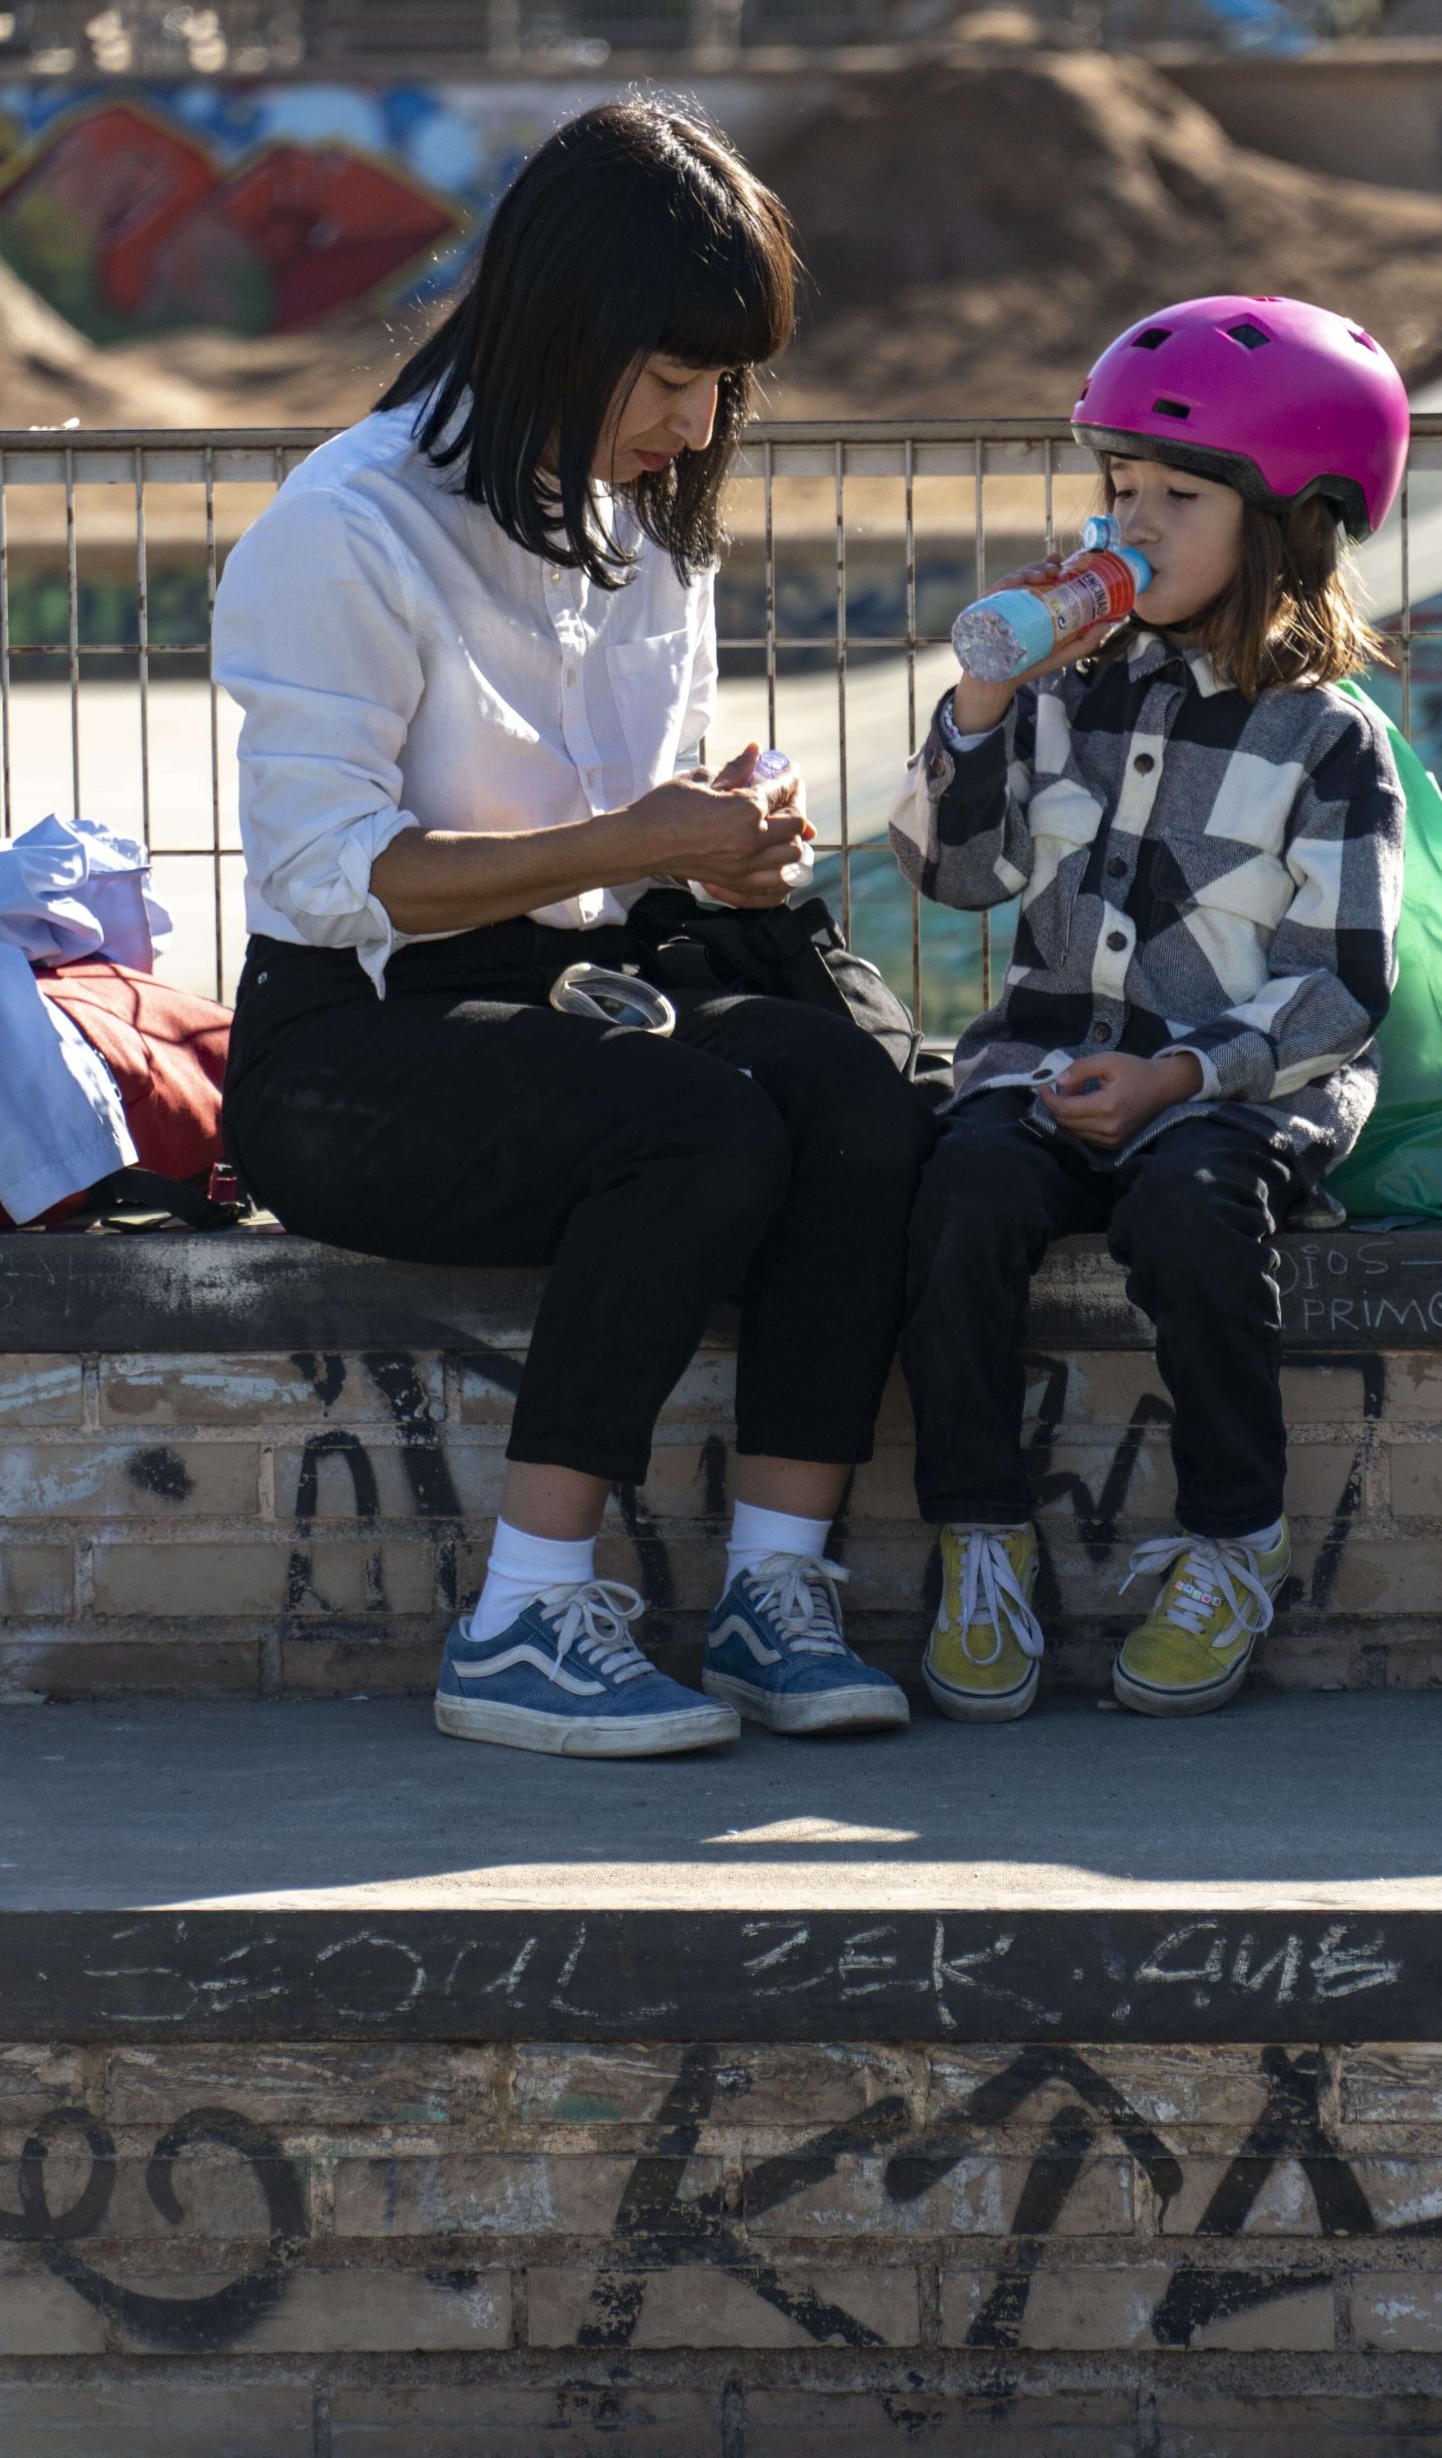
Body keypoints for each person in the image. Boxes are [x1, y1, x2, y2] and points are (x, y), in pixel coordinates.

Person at [214, 101, 923, 1761]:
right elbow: (331, 877)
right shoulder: (350, 524)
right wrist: (625, 838)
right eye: (668, 380)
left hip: (579, 995)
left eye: (718, 387)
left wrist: (723, 851)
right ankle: (526, 1615)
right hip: (353, 1046)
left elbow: (628, 844)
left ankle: (775, 1587)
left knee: (853, 1099)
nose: (695, 423)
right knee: (693, 1125)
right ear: (562, 326)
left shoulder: (640, 528)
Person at [889, 294, 1409, 1724]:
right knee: (965, 1190)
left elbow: (1346, 982)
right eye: (1119, 489)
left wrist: (1183, 1078)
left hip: (1237, 1089)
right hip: (1055, 1059)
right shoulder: (1071, 690)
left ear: (1296, 525)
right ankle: (980, 1537)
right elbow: (956, 874)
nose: (1131, 524)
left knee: (1188, 1214)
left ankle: (1234, 1538)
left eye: (1179, 497)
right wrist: (982, 709)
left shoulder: (1330, 739)